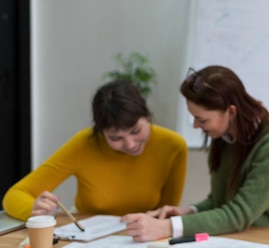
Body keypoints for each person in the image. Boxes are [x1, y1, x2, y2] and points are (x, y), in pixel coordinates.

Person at [121, 65, 269, 242]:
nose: (196, 125)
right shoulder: (224, 137)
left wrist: (167, 227)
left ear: (230, 112)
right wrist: (189, 211)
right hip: (241, 237)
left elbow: (239, 214)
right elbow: (220, 200)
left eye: (202, 120)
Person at [2, 79, 188, 221]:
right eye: (115, 138)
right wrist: (34, 208)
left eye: (136, 131)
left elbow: (167, 213)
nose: (130, 144)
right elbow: (14, 195)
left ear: (147, 115)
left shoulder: (173, 146)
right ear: (100, 132)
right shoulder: (85, 144)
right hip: (88, 238)